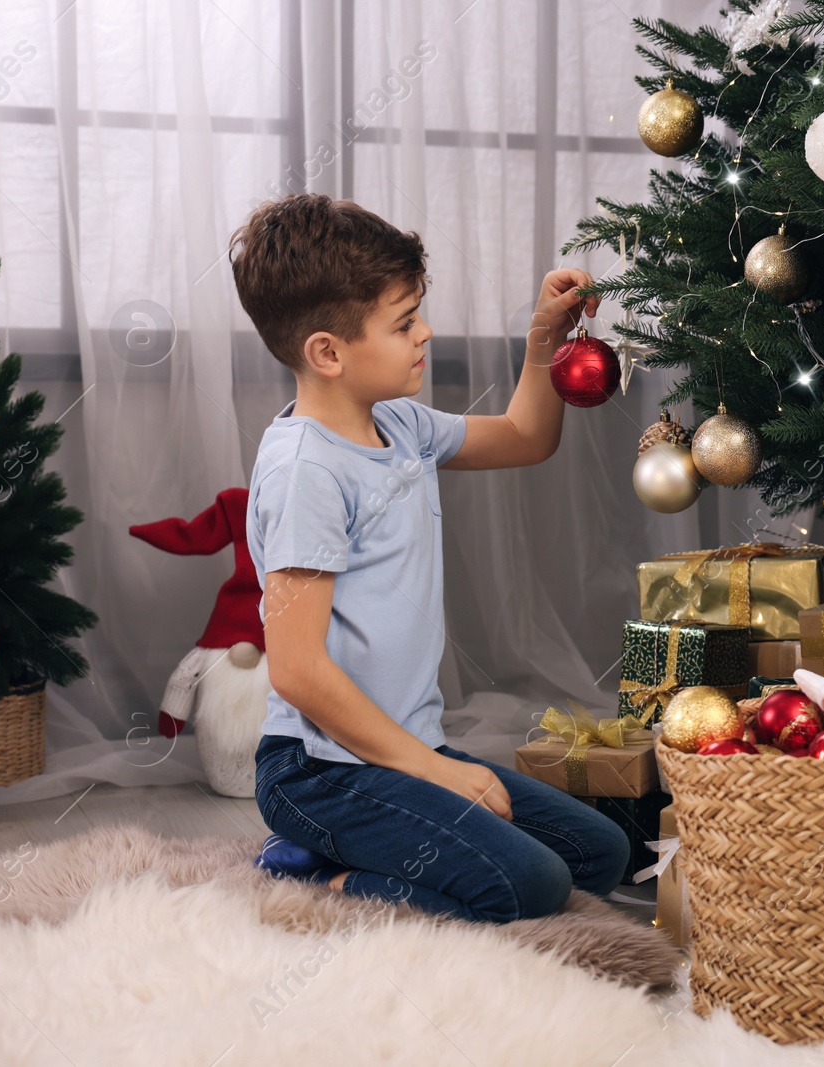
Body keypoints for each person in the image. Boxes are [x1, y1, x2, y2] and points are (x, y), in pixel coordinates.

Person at [230, 194, 629, 922]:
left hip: (403, 751)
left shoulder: (400, 423)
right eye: (404, 321)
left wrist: (544, 340)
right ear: (328, 351)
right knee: (533, 884)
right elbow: (297, 669)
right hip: (319, 771)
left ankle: (363, 850)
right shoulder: (305, 472)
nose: (427, 332)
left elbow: (524, 436)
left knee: (598, 852)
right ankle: (325, 884)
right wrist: (438, 771)